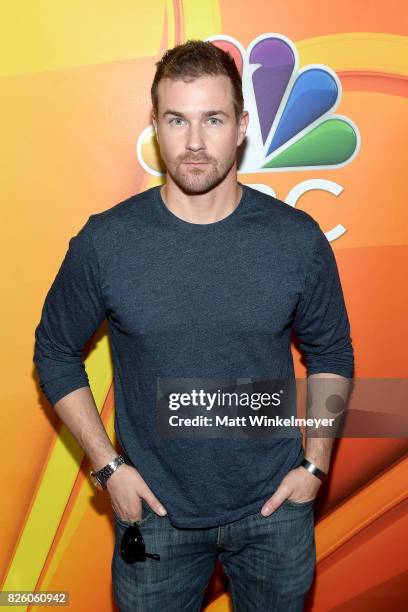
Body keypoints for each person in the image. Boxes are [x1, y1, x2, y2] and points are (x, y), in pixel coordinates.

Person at [33, 40, 354, 611]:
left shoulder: (295, 239)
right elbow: (55, 352)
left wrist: (315, 464)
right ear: (156, 126)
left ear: (242, 127)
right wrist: (109, 470)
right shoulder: (106, 243)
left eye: (214, 118)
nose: (196, 142)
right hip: (155, 513)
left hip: (276, 509)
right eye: (178, 120)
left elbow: (330, 353)